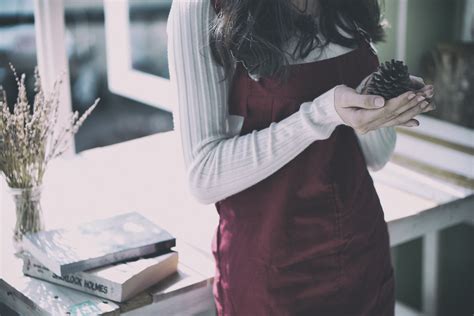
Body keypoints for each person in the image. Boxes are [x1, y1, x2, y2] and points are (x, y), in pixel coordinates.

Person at [167, 0, 435, 315]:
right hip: (271, 280)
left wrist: (377, 101)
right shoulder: (202, 8)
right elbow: (204, 175)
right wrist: (322, 114)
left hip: (363, 259)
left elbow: (377, 156)